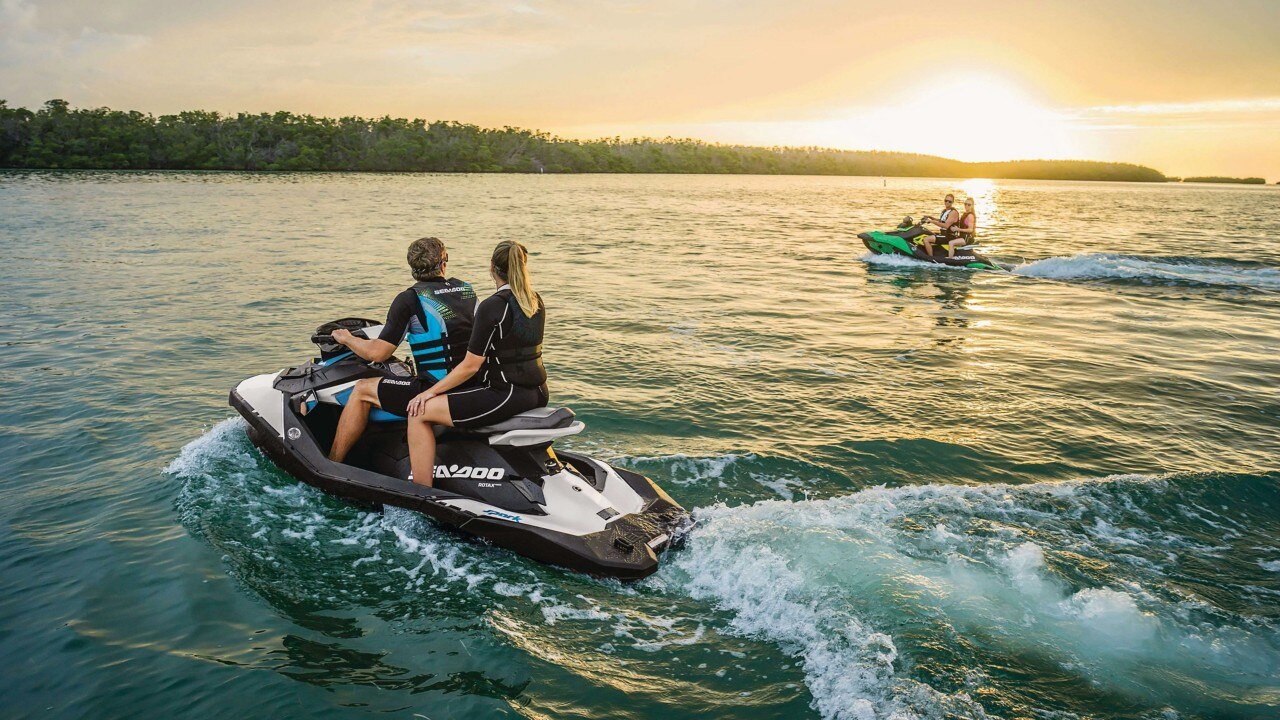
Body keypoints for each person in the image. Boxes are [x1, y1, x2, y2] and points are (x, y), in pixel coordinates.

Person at [401, 240, 549, 487]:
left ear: (492, 267)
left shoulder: (494, 305)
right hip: (539, 392)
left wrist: (428, 393)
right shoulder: (535, 300)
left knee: (418, 413)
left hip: (505, 395)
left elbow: (471, 365)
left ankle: (420, 492)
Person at [326, 237, 477, 464]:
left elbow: (378, 353)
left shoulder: (409, 299)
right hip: (472, 384)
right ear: (443, 262)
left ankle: (332, 465)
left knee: (362, 390)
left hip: (434, 388)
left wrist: (346, 338)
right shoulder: (466, 290)